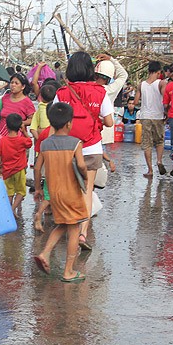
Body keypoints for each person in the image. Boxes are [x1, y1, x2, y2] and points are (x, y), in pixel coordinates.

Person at [55, 51, 114, 250]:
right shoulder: (100, 92)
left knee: (68, 189)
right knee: (87, 191)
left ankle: (68, 225)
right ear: (91, 69)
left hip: (67, 148)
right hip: (91, 147)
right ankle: (82, 233)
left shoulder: (62, 92)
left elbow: (54, 121)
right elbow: (109, 122)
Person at [33, 102, 88, 283]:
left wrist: (38, 188)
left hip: (54, 193)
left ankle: (45, 253)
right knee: (74, 228)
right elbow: (81, 165)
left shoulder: (45, 144)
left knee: (63, 224)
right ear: (69, 123)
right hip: (71, 193)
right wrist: (85, 177)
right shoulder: (75, 143)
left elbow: (37, 168)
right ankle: (68, 271)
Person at [0, 113, 33, 218]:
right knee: (21, 191)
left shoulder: (3, 141)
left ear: (7, 126)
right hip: (19, 170)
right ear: (20, 127)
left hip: (7, 170)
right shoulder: (21, 140)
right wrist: (24, 132)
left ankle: (9, 210)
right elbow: (30, 143)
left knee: (10, 192)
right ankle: (12, 209)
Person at [133, 61, 166, 177]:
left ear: (148, 71)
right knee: (159, 141)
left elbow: (135, 101)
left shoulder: (141, 85)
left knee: (147, 143)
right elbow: (165, 99)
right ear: (159, 72)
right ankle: (159, 161)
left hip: (145, 116)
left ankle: (150, 170)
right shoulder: (161, 83)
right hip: (158, 116)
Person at [0, 72, 35, 140]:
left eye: (16, 83)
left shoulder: (27, 102)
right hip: (0, 136)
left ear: (23, 87)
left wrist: (19, 123)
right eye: (12, 82)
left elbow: (32, 119)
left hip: (17, 139)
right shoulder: (5, 98)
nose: (13, 85)